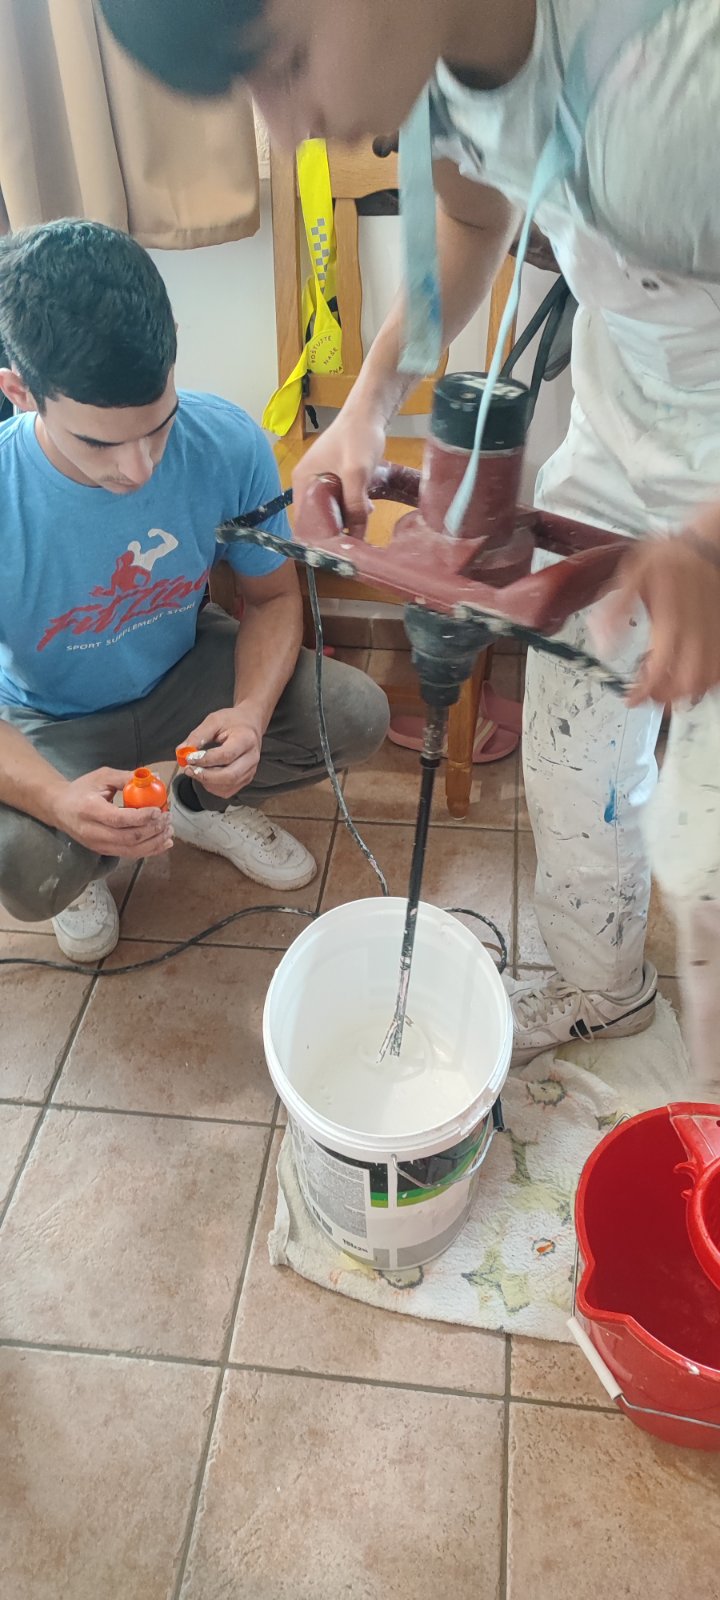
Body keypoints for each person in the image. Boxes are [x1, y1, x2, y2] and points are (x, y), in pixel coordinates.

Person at [100, 0, 720, 1074]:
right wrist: (368, 404)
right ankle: (602, 987)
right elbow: (472, 225)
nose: (288, 127)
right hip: (622, 450)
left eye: (286, 61)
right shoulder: (442, 63)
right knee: (578, 754)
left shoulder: (677, 80)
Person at [0, 220, 389, 962]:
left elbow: (273, 599)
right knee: (25, 865)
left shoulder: (228, 442)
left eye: (158, 426)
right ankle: (82, 856)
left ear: (174, 346)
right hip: (49, 715)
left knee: (353, 714)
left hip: (181, 673)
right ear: (20, 393)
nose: (139, 468)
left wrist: (248, 714)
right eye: (99, 443)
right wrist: (55, 801)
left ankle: (199, 802)